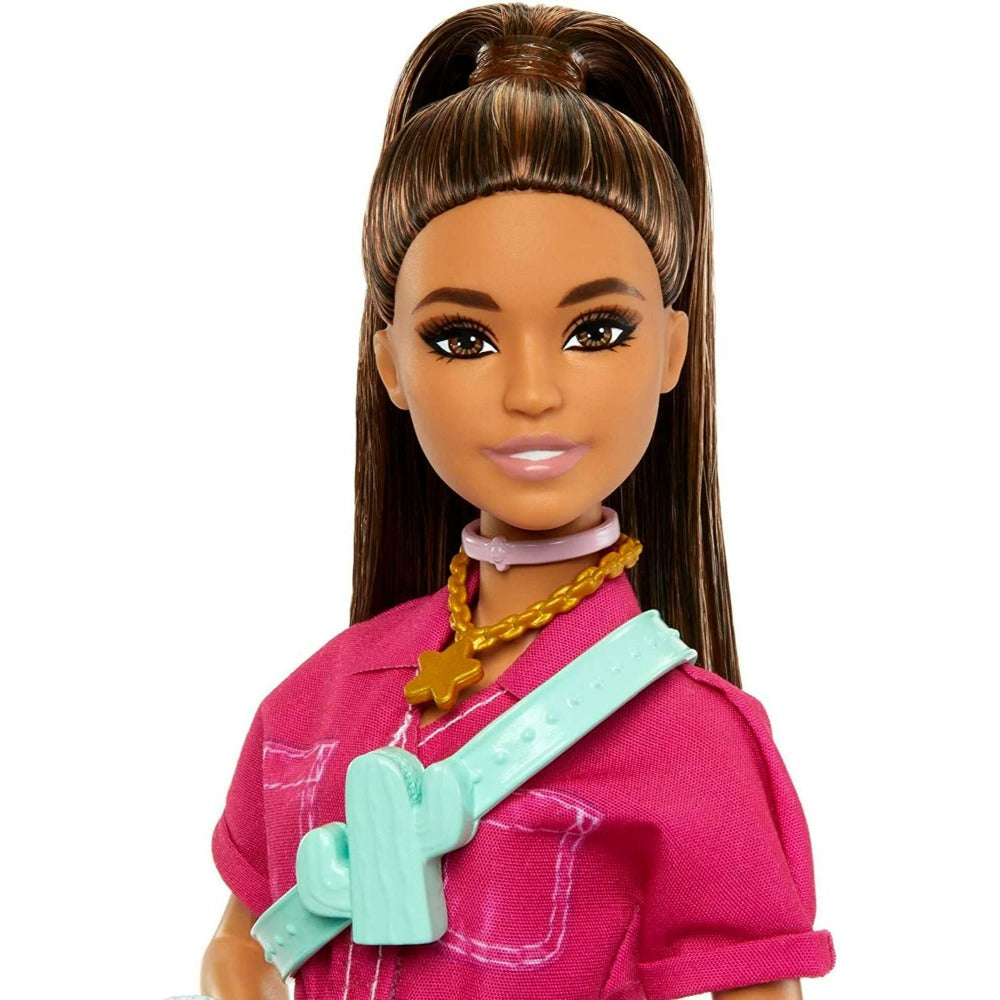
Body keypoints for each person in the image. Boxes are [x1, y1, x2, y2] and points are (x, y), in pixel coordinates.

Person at [200, 4, 836, 998]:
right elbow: (239, 946)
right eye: (463, 338)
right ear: (391, 364)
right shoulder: (319, 697)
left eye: (595, 331)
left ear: (671, 350)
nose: (532, 391)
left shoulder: (692, 740)